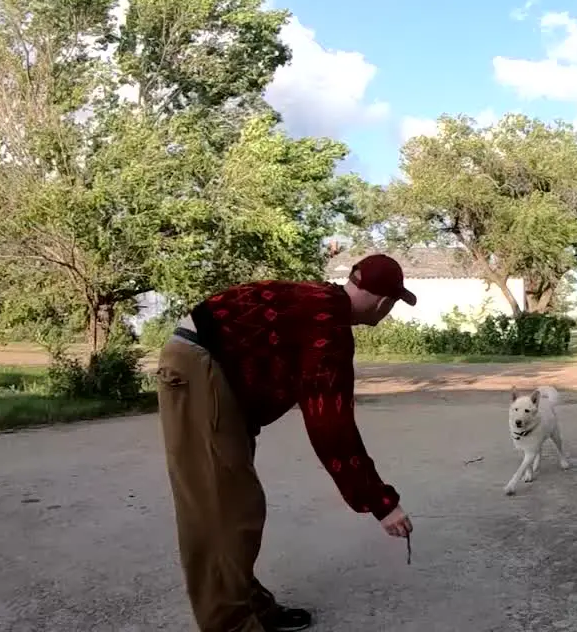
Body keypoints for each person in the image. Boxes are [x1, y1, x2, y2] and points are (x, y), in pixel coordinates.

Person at [155, 254, 417, 632]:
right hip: (199, 366)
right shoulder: (327, 325)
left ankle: (248, 603)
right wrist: (381, 503)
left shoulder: (320, 302)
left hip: (211, 368)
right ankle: (230, 624)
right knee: (223, 509)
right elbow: (332, 427)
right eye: (392, 304)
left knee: (233, 500)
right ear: (383, 302)